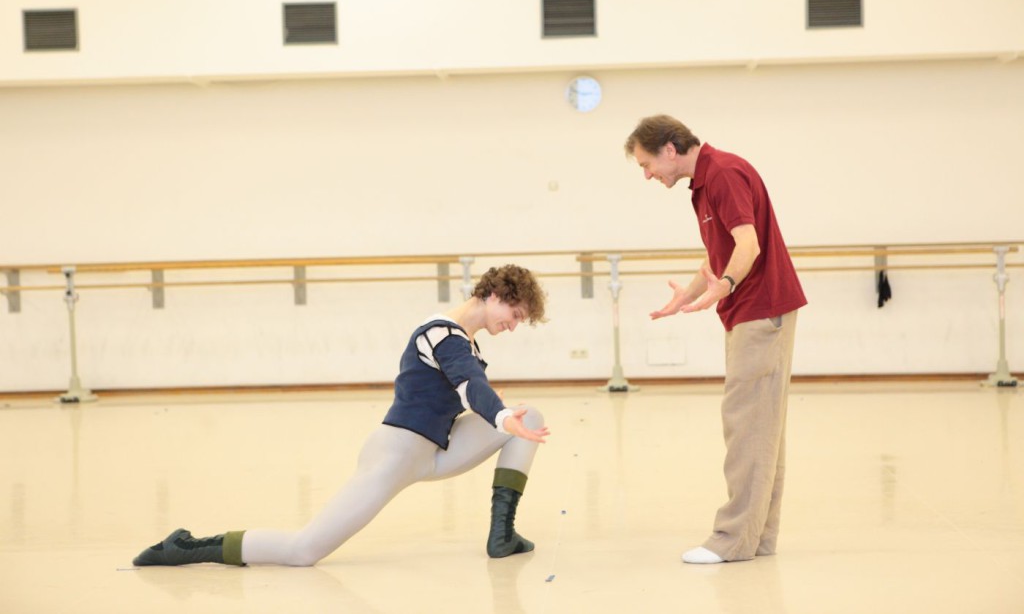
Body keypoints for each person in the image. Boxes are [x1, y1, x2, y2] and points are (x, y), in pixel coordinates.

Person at [133, 264, 550, 567]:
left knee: (528, 417)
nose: (513, 326)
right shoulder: (441, 332)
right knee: (303, 551)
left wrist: (505, 417)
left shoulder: (466, 342)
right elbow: (469, 385)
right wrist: (498, 417)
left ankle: (502, 535)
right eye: (515, 316)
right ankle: (188, 546)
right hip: (396, 455)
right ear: (495, 295)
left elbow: (470, 388)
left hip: (434, 451)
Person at [624, 115, 806, 564]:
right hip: (758, 310)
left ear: (670, 149)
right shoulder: (706, 181)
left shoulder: (722, 173)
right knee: (762, 430)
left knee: (746, 424)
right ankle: (757, 538)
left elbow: (748, 247)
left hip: (760, 310)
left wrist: (723, 284)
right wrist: (687, 293)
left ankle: (732, 540)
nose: (647, 175)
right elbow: (721, 248)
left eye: (647, 165)